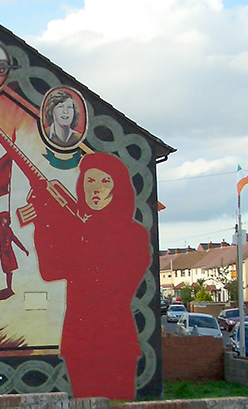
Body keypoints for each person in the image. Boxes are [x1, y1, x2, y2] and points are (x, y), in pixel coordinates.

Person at [29, 152, 150, 400]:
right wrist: (44, 222)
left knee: (118, 402)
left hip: (114, 338)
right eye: (89, 181)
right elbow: (50, 270)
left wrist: (75, 232)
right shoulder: (78, 229)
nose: (95, 189)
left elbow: (113, 284)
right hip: (78, 338)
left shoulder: (134, 234)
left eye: (105, 182)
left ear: (118, 188)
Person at [0, 211, 28, 294]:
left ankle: (9, 288)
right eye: (5, 218)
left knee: (10, 271)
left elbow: (14, 238)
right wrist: (7, 233)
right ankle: (9, 288)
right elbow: (2, 238)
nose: (6, 220)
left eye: (7, 218)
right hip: (4, 251)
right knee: (7, 270)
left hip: (9, 251)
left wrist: (23, 249)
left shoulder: (8, 229)